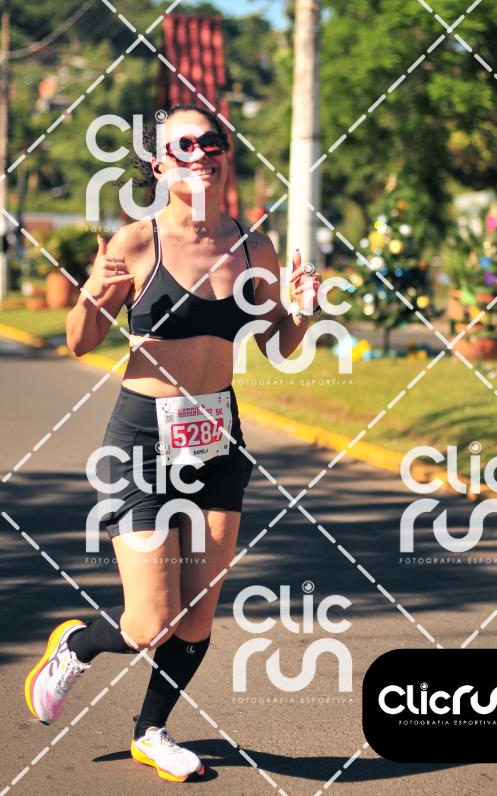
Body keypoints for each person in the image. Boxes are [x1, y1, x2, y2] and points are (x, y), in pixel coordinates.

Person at [24, 104, 322, 782]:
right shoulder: (136, 243)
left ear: (224, 155)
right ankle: (78, 645)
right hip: (142, 441)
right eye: (183, 144)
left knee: (196, 618)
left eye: (211, 141)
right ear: (159, 165)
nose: (200, 153)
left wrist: (303, 311)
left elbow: (278, 346)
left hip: (218, 438)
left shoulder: (254, 248)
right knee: (150, 622)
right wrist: (94, 293)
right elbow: (79, 342)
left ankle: (151, 731)